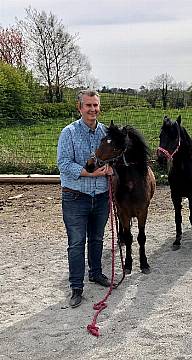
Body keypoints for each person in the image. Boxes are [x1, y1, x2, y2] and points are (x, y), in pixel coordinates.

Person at [57, 89, 113, 308]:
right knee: (77, 243)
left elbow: (116, 160)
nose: (93, 109)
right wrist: (89, 173)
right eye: (88, 105)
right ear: (79, 108)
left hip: (100, 196)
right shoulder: (68, 133)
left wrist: (111, 169)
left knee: (97, 238)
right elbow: (63, 164)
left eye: (96, 105)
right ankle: (76, 286)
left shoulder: (106, 133)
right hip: (75, 197)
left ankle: (96, 273)